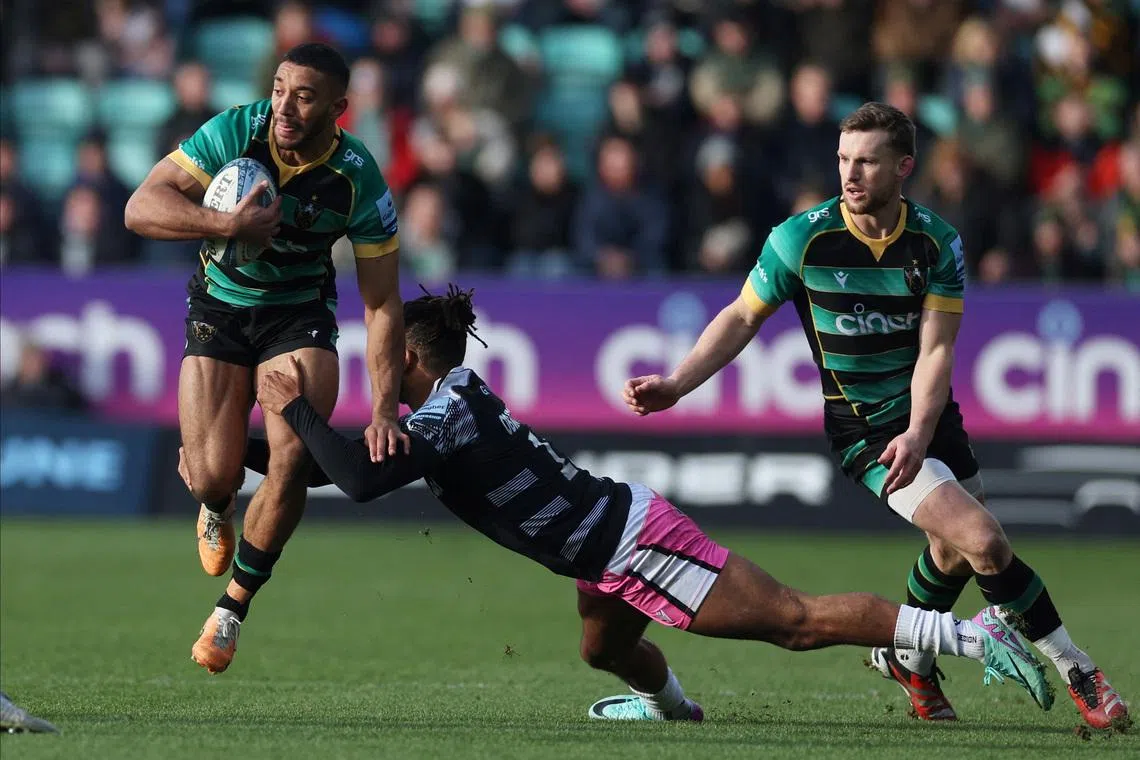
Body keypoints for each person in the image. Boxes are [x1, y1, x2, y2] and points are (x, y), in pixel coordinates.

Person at [230, 285, 1051, 722]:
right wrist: (243, 455)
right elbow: (342, 470)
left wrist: (296, 409)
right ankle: (673, 710)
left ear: (406, 354)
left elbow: (364, 480)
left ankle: (969, 634)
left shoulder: (446, 410)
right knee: (603, 653)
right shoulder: (448, 405)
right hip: (605, 546)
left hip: (630, 545)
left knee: (793, 622)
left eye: (380, 357)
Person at [622, 102, 1129, 731]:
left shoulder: (935, 242)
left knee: (950, 555)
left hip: (928, 417)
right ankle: (1079, 669)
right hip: (863, 428)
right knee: (986, 543)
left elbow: (936, 349)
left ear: (903, 167)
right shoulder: (800, 238)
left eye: (866, 161)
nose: (850, 174)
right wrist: (676, 383)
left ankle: (908, 660)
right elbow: (741, 316)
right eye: (843, 159)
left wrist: (919, 432)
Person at [124, 42, 408, 675]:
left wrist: (385, 408)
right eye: (280, 88)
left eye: (304, 96)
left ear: (338, 107)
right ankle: (213, 499)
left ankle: (231, 610)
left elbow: (384, 303)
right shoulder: (234, 130)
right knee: (212, 474)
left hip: (297, 313)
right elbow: (139, 207)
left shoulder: (358, 176)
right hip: (220, 308)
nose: (284, 105)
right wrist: (225, 227)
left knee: (294, 454)